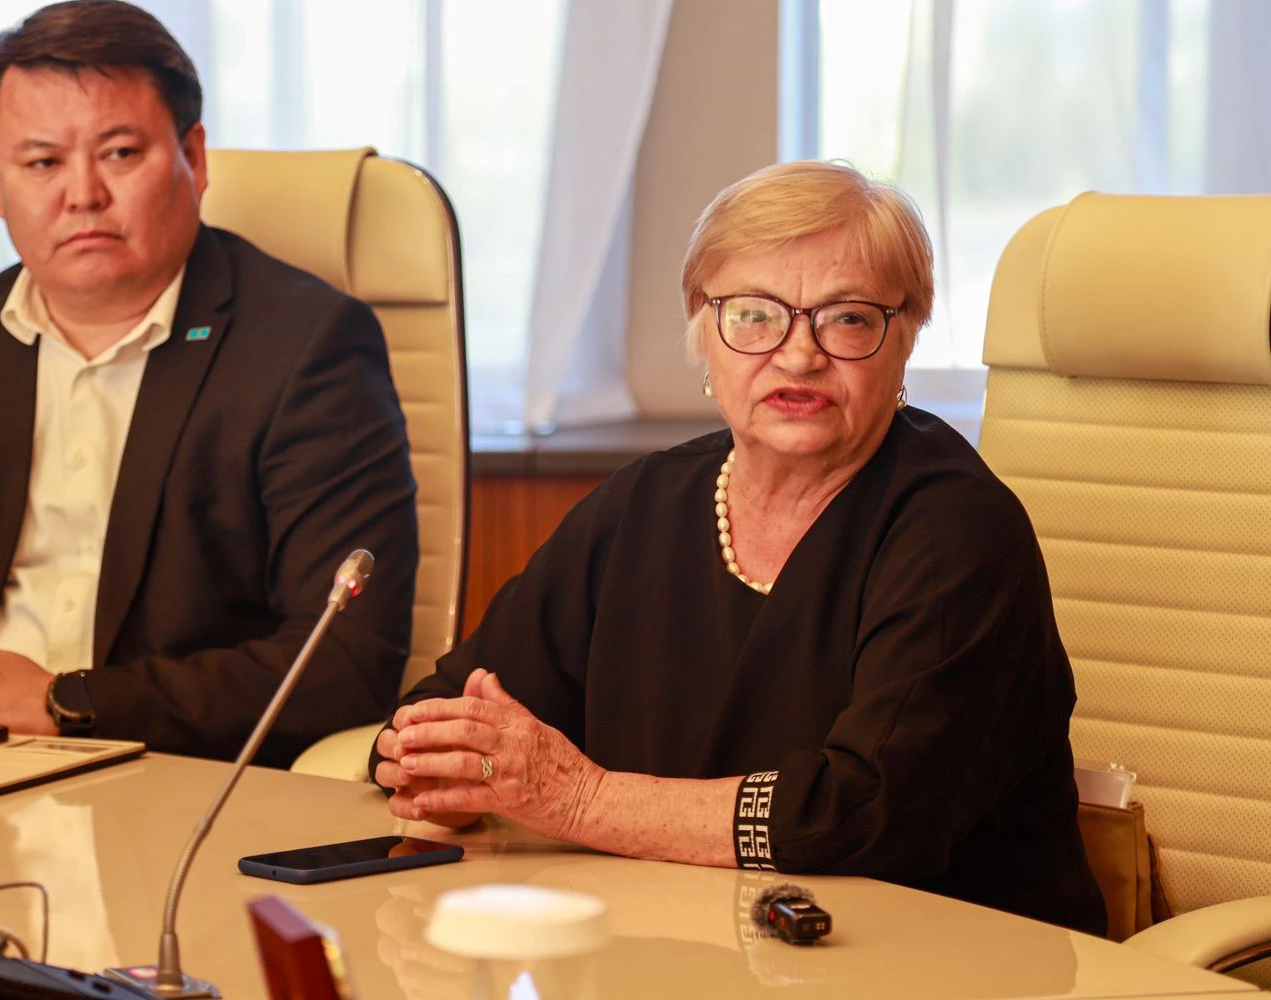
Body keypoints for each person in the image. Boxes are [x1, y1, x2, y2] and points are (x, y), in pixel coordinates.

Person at [373, 160, 1105, 934]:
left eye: (848, 318)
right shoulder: (641, 504)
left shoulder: (956, 534)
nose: (799, 355)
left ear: (905, 339)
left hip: (941, 960)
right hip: (677, 949)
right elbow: (445, 707)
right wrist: (439, 766)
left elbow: (865, 816)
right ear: (703, 329)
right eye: (755, 315)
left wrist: (577, 798)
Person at [0, 0, 418, 766]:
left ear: (194, 158)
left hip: (171, 774)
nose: (81, 194)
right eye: (41, 163)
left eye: (119, 153)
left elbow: (344, 661)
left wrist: (63, 702)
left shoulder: (306, 346)